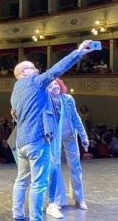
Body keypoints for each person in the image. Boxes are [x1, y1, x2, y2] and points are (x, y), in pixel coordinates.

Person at [11, 40, 94, 221]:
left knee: (21, 180)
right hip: (38, 141)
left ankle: (18, 215)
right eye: (33, 68)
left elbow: (15, 115)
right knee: (39, 184)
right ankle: (36, 218)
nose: (36, 70)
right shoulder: (34, 82)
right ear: (24, 73)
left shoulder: (16, 90)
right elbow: (57, 69)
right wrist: (79, 52)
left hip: (21, 143)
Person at [46, 79, 90, 219]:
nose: (55, 86)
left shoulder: (68, 99)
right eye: (51, 85)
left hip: (70, 135)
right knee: (56, 167)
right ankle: (57, 200)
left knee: (75, 167)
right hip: (55, 137)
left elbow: (76, 118)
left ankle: (79, 198)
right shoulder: (46, 101)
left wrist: (84, 137)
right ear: (47, 89)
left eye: (56, 84)